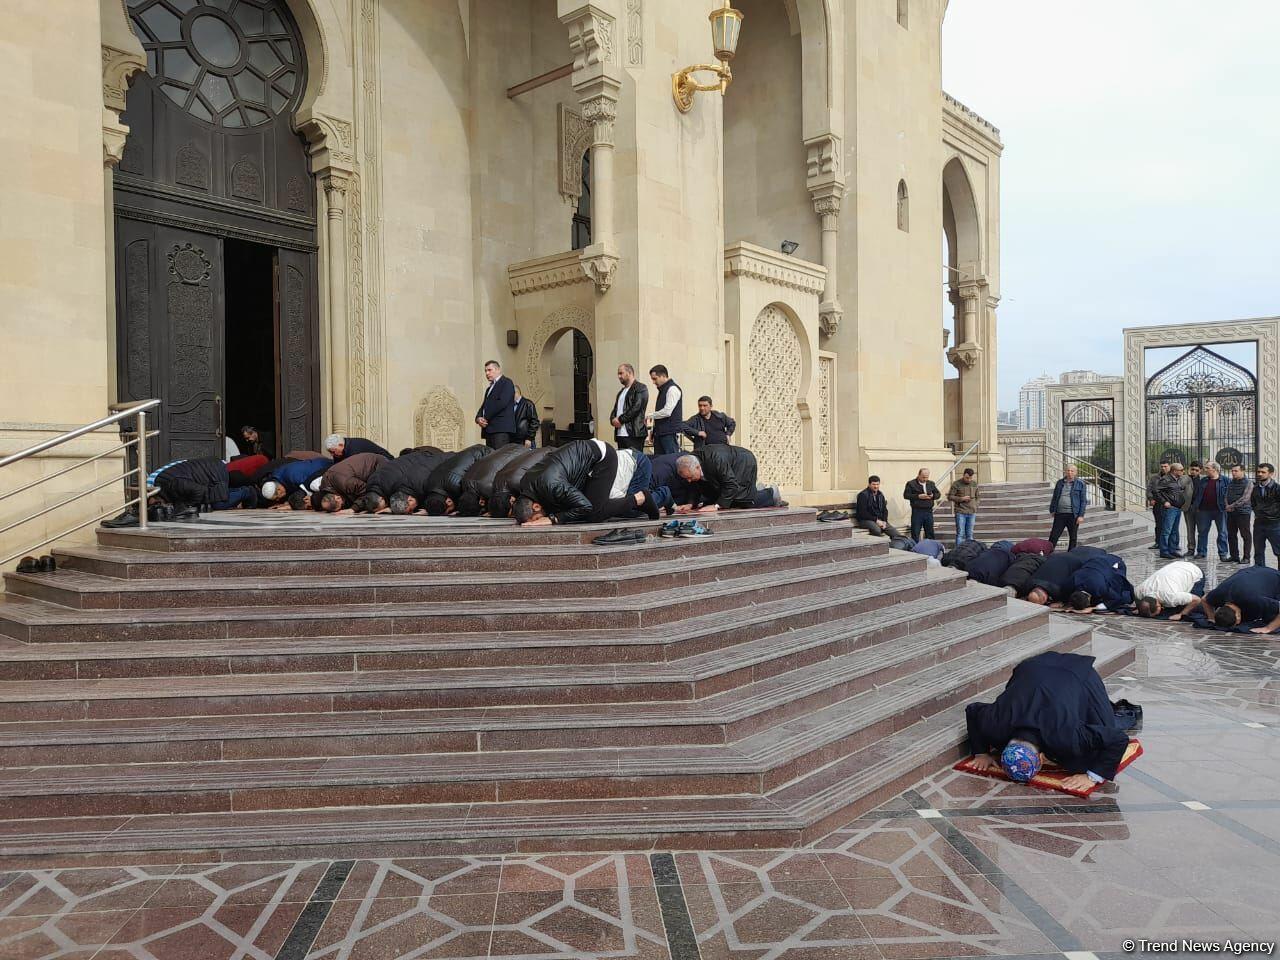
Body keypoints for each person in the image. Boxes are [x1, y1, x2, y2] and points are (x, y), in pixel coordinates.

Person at [963, 651, 1132, 792]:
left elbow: (1118, 739)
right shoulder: (995, 724)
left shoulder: (1067, 735)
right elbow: (972, 710)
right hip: (1033, 669)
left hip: (1078, 674)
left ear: (1042, 758)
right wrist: (981, 753)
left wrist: (1092, 777)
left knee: (1103, 726)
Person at [513, 439, 660, 525]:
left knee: (594, 513)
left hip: (603, 458)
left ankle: (640, 498)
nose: (539, 522)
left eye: (537, 519)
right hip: (587, 454)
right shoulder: (526, 485)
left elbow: (585, 506)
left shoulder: (552, 486)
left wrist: (553, 519)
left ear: (536, 506)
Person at [675, 447, 783, 512]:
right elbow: (695, 485)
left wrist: (716, 506)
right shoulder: (692, 460)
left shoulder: (715, 461)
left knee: (742, 499)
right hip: (728, 465)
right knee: (721, 498)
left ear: (697, 467)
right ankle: (756, 490)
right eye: (686, 478)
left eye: (690, 477)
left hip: (743, 461)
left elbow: (731, 485)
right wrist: (691, 503)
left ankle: (771, 493)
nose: (689, 481)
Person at [1178, 565, 1280, 633]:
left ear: (1238, 616)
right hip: (1251, 573)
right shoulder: (1219, 594)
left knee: (1271, 616)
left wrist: (1268, 628)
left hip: (1275, 578)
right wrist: (1211, 618)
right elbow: (1205, 600)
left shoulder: (1255, 599)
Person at [356, 448, 451, 514]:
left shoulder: (394, 484)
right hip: (423, 456)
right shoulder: (374, 483)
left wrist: (428, 510)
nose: (383, 508)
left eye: (382, 507)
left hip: (432, 456)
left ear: (381, 499)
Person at [454, 443, 528, 516]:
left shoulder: (489, 488)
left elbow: (501, 502)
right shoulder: (465, 482)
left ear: (481, 502)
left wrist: (491, 511)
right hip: (509, 448)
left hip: (520, 453)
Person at [422, 444, 491, 515]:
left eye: (448, 511)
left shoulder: (455, 485)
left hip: (485, 454)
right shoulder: (429, 484)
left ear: (448, 502)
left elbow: (469, 501)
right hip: (475, 450)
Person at [488, 447, 553, 519]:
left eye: (513, 512)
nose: (516, 513)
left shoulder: (520, 483)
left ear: (512, 500)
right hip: (542, 452)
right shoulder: (498, 482)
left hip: (551, 455)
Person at [1024, 547, 1103, 606]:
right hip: (1059, 556)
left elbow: (1068, 594)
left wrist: (1061, 602)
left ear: (1045, 598)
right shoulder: (1029, 583)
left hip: (1076, 561)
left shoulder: (1056, 590)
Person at [314, 451, 387, 512]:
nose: (342, 506)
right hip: (367, 469)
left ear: (338, 498)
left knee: (374, 501)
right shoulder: (326, 485)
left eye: (341, 506)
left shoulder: (345, 482)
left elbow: (366, 490)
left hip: (378, 465)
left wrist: (353, 509)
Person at [1134, 560, 1204, 618]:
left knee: (1190, 607)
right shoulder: (1139, 591)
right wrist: (1141, 609)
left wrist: (1181, 614)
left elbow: (1196, 599)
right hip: (1176, 566)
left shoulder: (1171, 597)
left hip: (1194, 572)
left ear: (1159, 606)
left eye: (1155, 614)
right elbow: (1141, 604)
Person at [1065, 553, 1134, 613]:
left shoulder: (1100, 588)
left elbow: (1115, 599)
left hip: (1114, 564)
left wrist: (1094, 608)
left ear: (1089, 598)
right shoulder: (1070, 583)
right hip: (1095, 561)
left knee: (1122, 594)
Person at [475, 359, 517, 449]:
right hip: (489, 429)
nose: (487, 373)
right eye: (485, 371)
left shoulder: (507, 382)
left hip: (501, 429)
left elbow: (502, 403)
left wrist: (485, 417)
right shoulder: (489, 388)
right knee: (491, 456)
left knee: (499, 456)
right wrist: (478, 418)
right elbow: (484, 406)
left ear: (498, 370)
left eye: (489, 370)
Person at [1192, 460, 1229, 561]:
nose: (1205, 470)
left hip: (1220, 510)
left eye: (1208, 468)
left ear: (1215, 469)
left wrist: (1228, 506)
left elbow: (1229, 495)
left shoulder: (1225, 480)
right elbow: (1197, 494)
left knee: (1222, 532)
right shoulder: (1203, 480)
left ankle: (1223, 553)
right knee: (1202, 532)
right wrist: (1196, 506)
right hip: (1204, 511)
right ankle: (1201, 552)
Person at [259, 456, 332, 507]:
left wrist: (291, 505)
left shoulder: (293, 477)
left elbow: (307, 491)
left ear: (279, 489)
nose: (278, 500)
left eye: (277, 498)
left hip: (327, 468)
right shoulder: (277, 476)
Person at [1047, 465, 1087, 551]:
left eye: (1072, 471)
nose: (1069, 472)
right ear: (1065, 471)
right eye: (1068, 470)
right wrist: (1052, 509)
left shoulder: (1081, 484)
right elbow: (1055, 497)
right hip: (1060, 513)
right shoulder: (1059, 483)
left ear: (1076, 472)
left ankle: (1071, 554)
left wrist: (1081, 515)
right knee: (1053, 536)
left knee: (1073, 537)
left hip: (1073, 514)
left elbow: (1083, 501)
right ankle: (1048, 553)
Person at [611, 363, 649, 451]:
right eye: (618, 374)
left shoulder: (641, 388)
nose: (619, 376)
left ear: (629, 373)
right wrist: (612, 419)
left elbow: (636, 408)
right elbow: (615, 409)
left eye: (621, 373)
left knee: (634, 458)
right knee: (622, 459)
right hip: (620, 434)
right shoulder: (621, 392)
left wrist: (620, 420)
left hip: (634, 433)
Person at [646, 365, 683, 456]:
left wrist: (649, 416)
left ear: (663, 376)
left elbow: (667, 412)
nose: (653, 382)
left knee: (671, 459)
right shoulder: (663, 390)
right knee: (660, 460)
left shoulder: (672, 389)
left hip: (669, 433)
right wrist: (653, 431)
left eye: (655, 379)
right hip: (661, 433)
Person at [1153, 462, 1187, 559]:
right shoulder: (1165, 479)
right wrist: (1164, 502)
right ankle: (1164, 551)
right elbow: (1156, 491)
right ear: (1175, 471)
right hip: (1170, 508)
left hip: (1177, 508)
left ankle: (1172, 550)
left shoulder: (1177, 479)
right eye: (1181, 470)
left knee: (1174, 531)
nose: (1183, 471)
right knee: (1166, 530)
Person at [1225, 463, 1254, 565]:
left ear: (1243, 471)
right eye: (1232, 471)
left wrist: (1231, 506)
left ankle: (1246, 557)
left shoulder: (1248, 483)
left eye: (1236, 471)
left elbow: (1245, 498)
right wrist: (1227, 505)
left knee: (1245, 535)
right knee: (1231, 534)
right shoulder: (1231, 482)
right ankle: (1234, 556)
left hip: (1243, 513)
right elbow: (1226, 495)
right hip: (1231, 513)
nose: (1233, 473)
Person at [1252, 463, 1280, 568]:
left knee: (1278, 551)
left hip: (1274, 524)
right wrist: (1258, 513)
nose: (1260, 474)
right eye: (1258, 472)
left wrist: (1274, 515)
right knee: (1258, 552)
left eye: (1263, 472)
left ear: (1271, 474)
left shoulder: (1277, 488)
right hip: (1259, 524)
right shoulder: (1255, 488)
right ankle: (1260, 573)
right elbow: (1253, 503)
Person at [903, 468, 940, 541]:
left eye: (927, 477)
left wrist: (933, 496)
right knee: (915, 531)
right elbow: (906, 495)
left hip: (928, 511)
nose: (925, 479)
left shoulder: (931, 483)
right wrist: (918, 496)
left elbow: (938, 494)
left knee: (930, 532)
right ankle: (915, 546)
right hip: (917, 511)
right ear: (919, 475)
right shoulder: (911, 483)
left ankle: (930, 546)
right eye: (923, 477)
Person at [947, 468, 980, 545]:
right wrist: (961, 499)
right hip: (960, 512)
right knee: (960, 534)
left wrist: (976, 505)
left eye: (970, 478)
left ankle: (970, 550)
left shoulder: (974, 484)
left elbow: (978, 497)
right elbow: (950, 497)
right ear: (963, 475)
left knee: (970, 534)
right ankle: (959, 550)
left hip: (972, 512)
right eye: (967, 478)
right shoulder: (956, 484)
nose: (969, 480)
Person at [1146, 461, 1171, 550]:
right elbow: (1149, 489)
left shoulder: (1172, 477)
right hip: (1157, 504)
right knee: (1159, 524)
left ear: (1169, 466)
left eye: (1165, 466)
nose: (1163, 468)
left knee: (1169, 525)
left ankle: (1170, 543)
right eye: (1162, 466)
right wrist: (1151, 498)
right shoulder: (1154, 478)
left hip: (1169, 504)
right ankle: (1158, 542)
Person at [324, 434, 392, 462]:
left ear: (341, 445)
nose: (332, 455)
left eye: (333, 452)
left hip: (386, 465)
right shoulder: (339, 453)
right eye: (330, 452)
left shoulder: (355, 450)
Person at [1182, 461, 1202, 550]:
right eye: (1192, 469)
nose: (1194, 471)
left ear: (1200, 470)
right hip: (1188, 508)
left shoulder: (1203, 480)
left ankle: (1201, 550)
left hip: (1201, 509)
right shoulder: (1184, 479)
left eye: (1196, 470)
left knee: (1202, 530)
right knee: (1190, 530)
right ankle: (1191, 548)